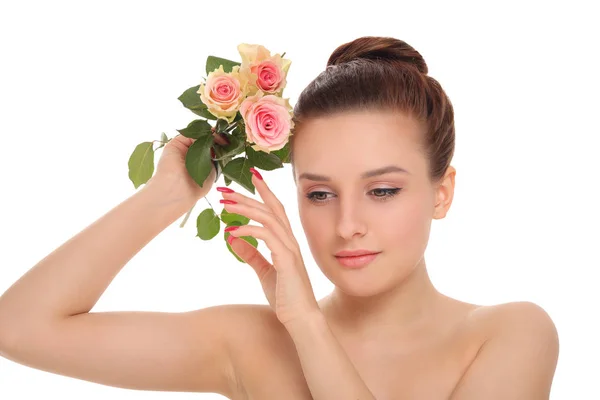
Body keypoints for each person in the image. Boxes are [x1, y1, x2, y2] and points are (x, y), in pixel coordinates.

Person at [0, 36, 559, 399]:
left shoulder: (510, 334)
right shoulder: (250, 341)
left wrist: (309, 327)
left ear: (442, 193)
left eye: (382, 190)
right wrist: (169, 194)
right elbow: (19, 328)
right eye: (319, 195)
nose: (347, 225)